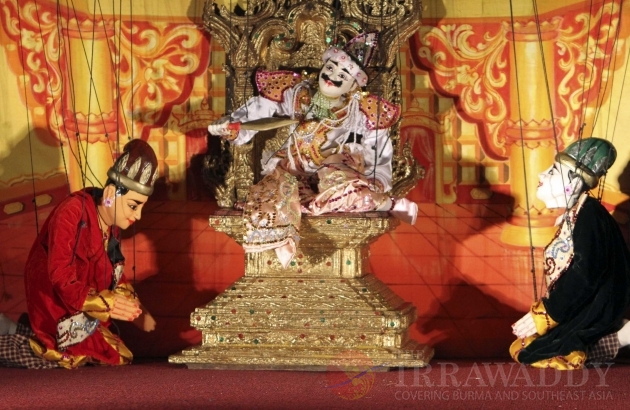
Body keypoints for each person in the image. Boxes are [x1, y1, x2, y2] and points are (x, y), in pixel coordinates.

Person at [208, 32, 418, 267]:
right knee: (272, 203)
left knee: (353, 192)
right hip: (292, 175)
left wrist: (378, 178)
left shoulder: (357, 109)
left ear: (353, 85)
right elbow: (259, 110)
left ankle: (391, 203)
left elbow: (378, 145)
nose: (332, 77)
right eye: (331, 68)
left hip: (331, 176)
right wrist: (231, 124)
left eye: (342, 75)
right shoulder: (296, 93)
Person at [0, 139, 158, 369]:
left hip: (85, 308)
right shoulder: (72, 212)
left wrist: (129, 301)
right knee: (83, 357)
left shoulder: (110, 223)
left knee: (119, 355)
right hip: (56, 302)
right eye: (134, 206)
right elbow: (60, 275)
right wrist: (106, 302)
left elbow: (113, 270)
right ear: (110, 193)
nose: (138, 215)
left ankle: (14, 330)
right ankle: (21, 337)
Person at [510, 137, 630, 370]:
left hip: (594, 307)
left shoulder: (590, 216)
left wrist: (547, 312)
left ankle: (619, 336)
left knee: (537, 352)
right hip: (581, 306)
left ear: (574, 184)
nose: (541, 174)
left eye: (553, 171)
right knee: (527, 346)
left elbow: (585, 273)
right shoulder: (580, 212)